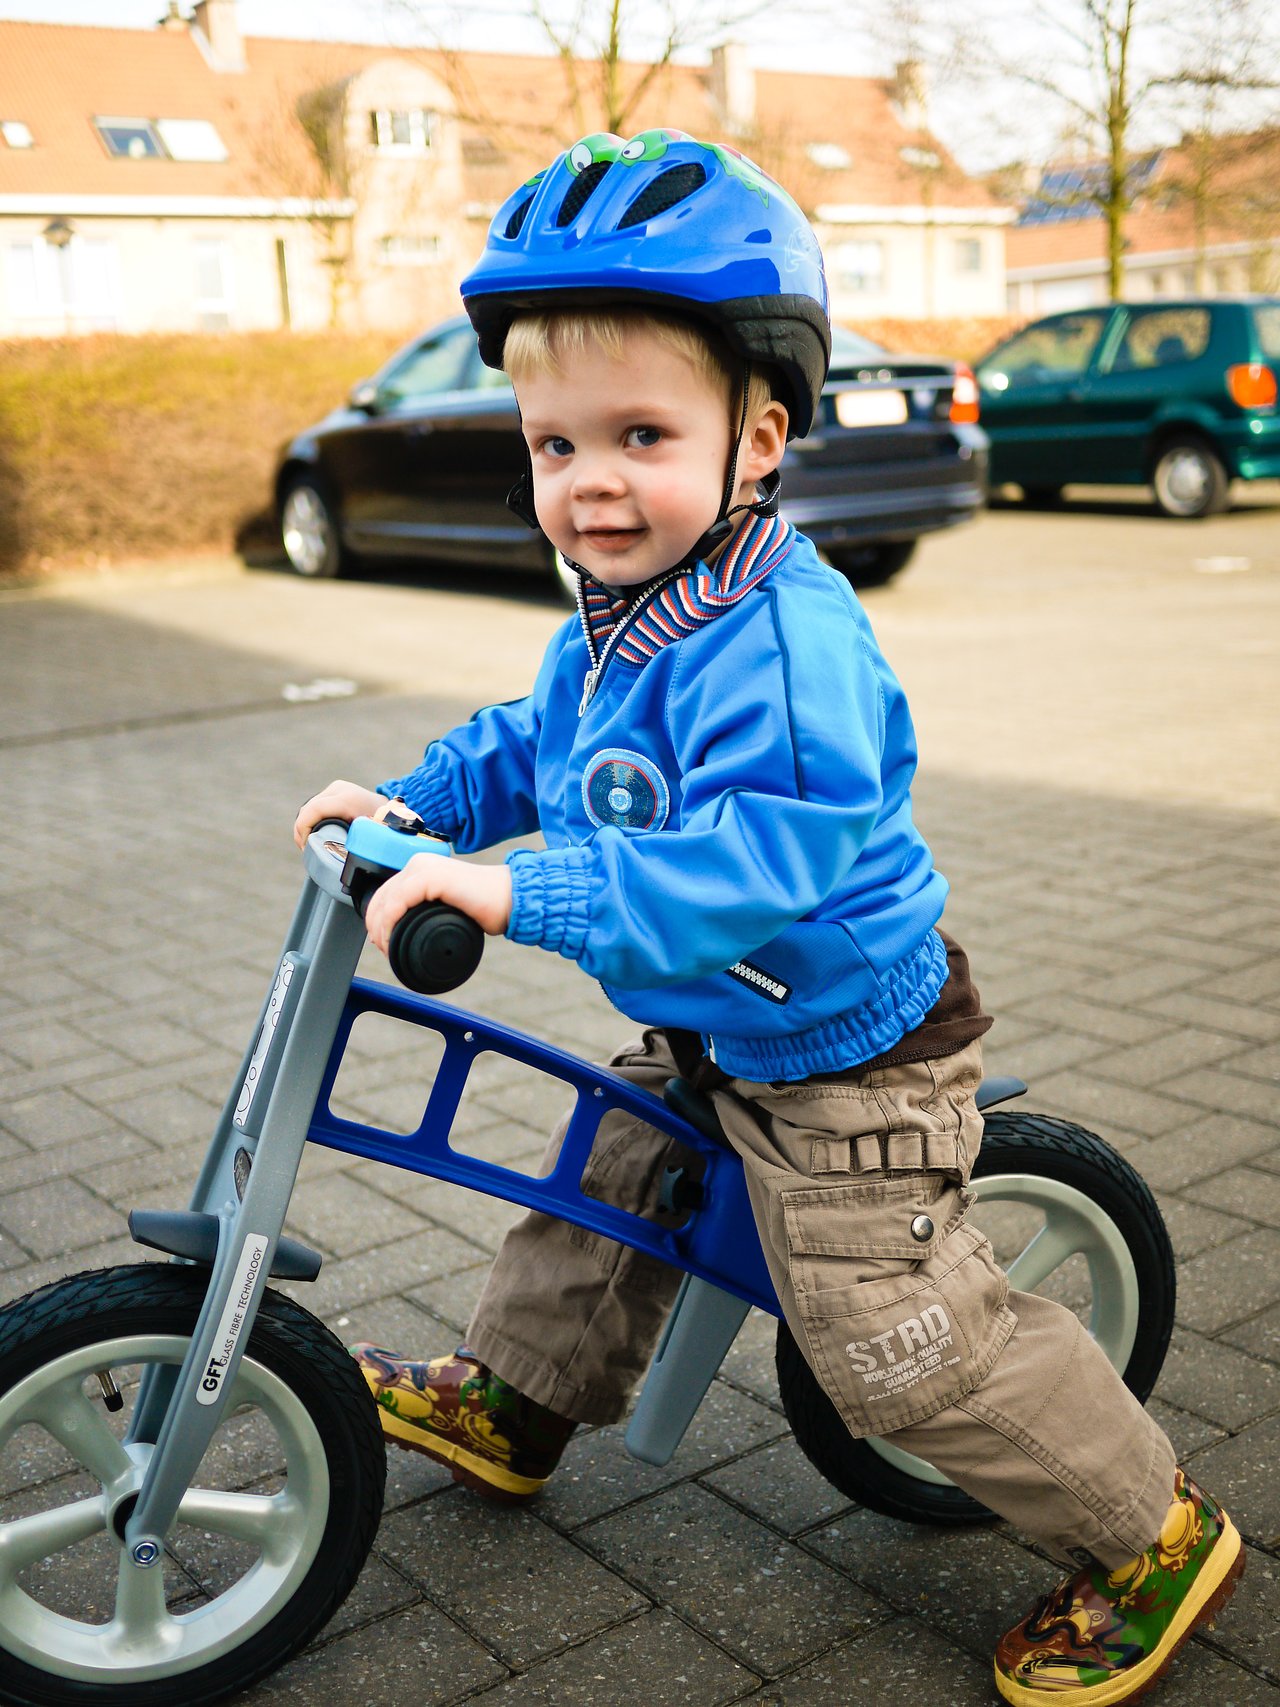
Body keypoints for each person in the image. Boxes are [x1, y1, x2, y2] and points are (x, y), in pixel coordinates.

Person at [294, 129, 1242, 1705]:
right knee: (607, 1173)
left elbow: (749, 864)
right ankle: (520, 1403)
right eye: (552, 445)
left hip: (853, 1052)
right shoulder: (617, 615)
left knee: (891, 1342)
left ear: (758, 440)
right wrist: (417, 807)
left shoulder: (790, 643)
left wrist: (517, 891)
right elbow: (535, 746)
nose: (589, 484)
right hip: (723, 1017)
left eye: (640, 435)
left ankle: (1148, 1529)